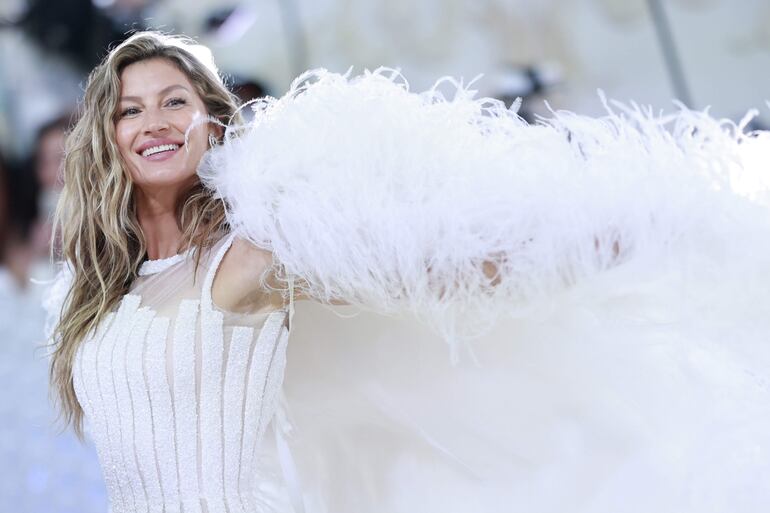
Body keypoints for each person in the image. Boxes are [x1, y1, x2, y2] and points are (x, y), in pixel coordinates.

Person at [48, 31, 770, 513]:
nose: (155, 122)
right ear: (107, 137)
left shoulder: (250, 258)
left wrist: (603, 234)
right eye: (130, 110)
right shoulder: (96, 297)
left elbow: (427, 263)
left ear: (211, 120)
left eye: (176, 101)